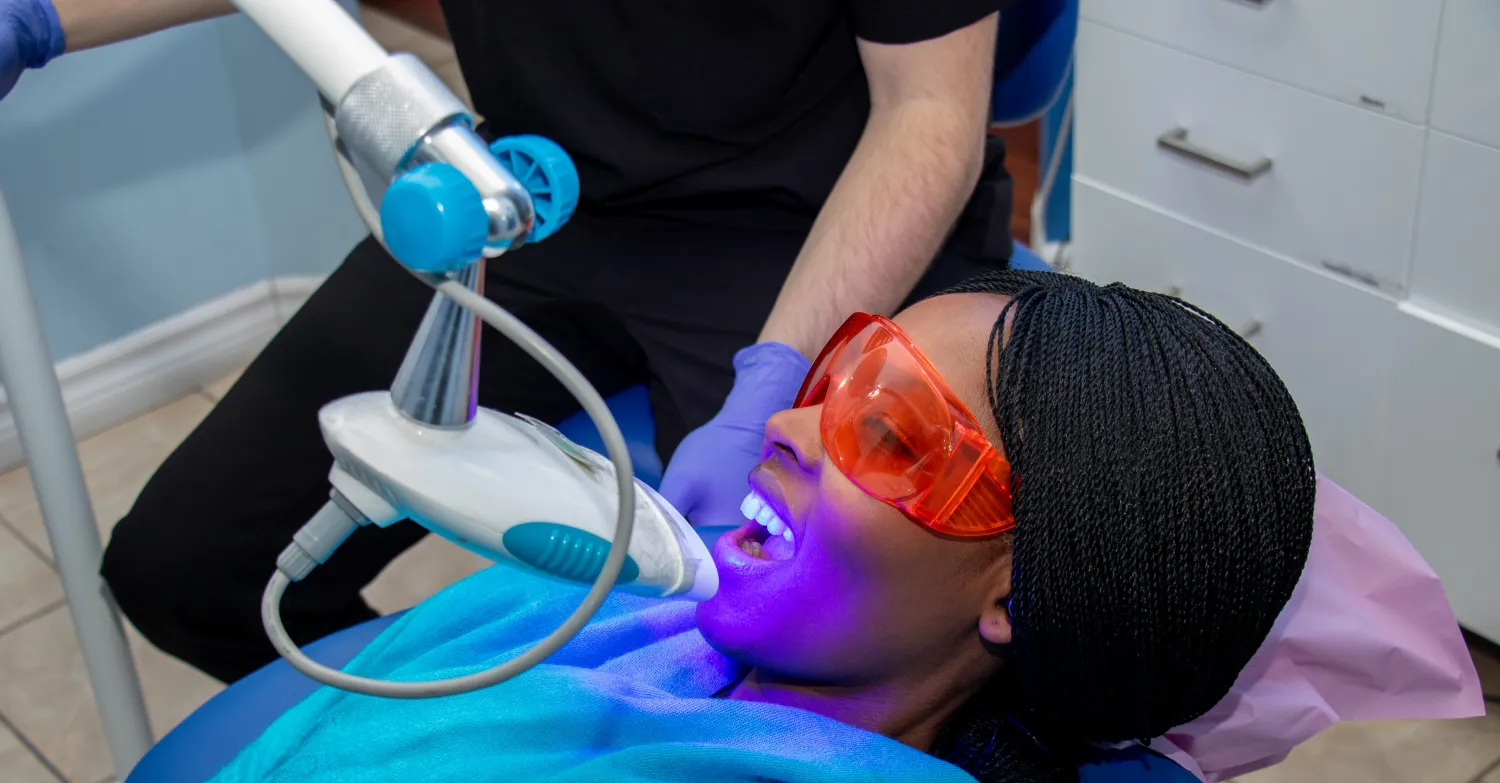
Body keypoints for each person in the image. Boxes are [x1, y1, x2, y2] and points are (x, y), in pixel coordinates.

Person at [0, 272, 1315, 783]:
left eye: (890, 429)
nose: (791, 428)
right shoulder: (590, 608)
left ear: (1023, 596)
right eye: (833, 378)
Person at [2, 0, 1020, 683]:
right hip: (543, 197)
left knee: (770, 636)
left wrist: (773, 379)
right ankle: (451, 764)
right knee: (187, 568)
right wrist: (41, 18)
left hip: (814, 222)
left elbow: (928, 112)